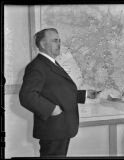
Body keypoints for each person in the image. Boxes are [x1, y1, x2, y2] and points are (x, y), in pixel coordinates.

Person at [19, 28, 99, 157]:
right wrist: (51, 109)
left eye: (59, 40)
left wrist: (84, 94)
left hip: (60, 128)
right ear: (43, 44)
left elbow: (58, 92)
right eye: (55, 41)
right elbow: (27, 96)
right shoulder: (37, 66)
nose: (59, 44)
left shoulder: (51, 63)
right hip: (53, 129)